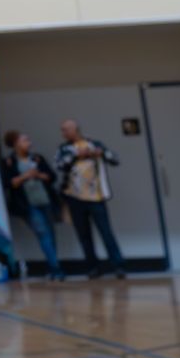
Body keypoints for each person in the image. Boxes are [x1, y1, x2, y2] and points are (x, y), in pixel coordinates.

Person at [56, 119, 126, 280]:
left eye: (66, 129)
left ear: (76, 129)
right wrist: (75, 155)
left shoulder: (95, 143)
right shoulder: (64, 148)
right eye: (62, 130)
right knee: (84, 235)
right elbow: (58, 165)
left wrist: (101, 153)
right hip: (74, 198)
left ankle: (118, 266)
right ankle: (93, 268)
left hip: (96, 197)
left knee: (106, 232)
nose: (63, 133)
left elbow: (115, 159)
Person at [0, 131, 62, 280]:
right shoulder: (9, 161)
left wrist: (38, 175)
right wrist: (26, 176)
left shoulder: (37, 158)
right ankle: (56, 269)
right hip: (27, 205)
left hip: (45, 201)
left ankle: (52, 266)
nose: (29, 143)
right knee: (43, 233)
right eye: (25, 140)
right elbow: (8, 183)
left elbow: (52, 177)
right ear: (15, 144)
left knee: (51, 235)